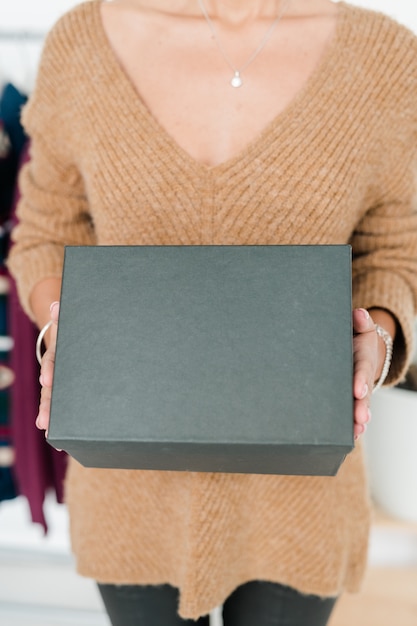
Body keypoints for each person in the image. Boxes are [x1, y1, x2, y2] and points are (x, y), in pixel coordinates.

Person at [7, 0, 417, 624]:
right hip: (131, 499)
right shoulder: (82, 42)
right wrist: (69, 328)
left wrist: (378, 338)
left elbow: (397, 246)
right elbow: (44, 229)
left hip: (300, 503)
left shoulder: (385, 57)